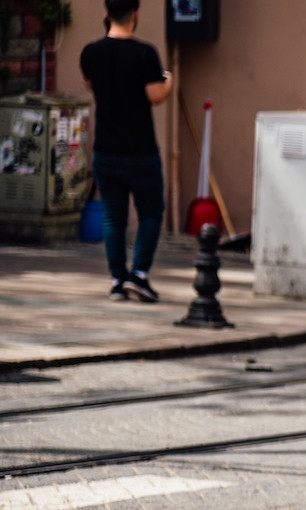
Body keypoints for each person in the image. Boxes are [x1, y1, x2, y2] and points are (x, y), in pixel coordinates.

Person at [80, 0, 173, 303]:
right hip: (140, 150)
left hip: (105, 149)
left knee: (112, 217)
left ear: (106, 15)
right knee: (150, 213)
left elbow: (91, 85)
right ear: (135, 15)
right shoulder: (145, 53)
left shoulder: (90, 53)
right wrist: (168, 81)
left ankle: (117, 280)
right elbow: (155, 95)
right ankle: (140, 274)